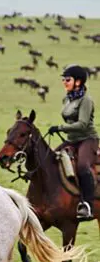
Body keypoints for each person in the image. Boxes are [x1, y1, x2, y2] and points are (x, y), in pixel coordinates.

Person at [47, 65, 97, 221]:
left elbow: (82, 124)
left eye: (67, 79)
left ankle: (87, 205)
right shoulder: (67, 98)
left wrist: (61, 127)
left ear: (78, 82)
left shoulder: (86, 100)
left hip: (88, 140)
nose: (64, 82)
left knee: (82, 166)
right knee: (50, 160)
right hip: (72, 140)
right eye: (63, 79)